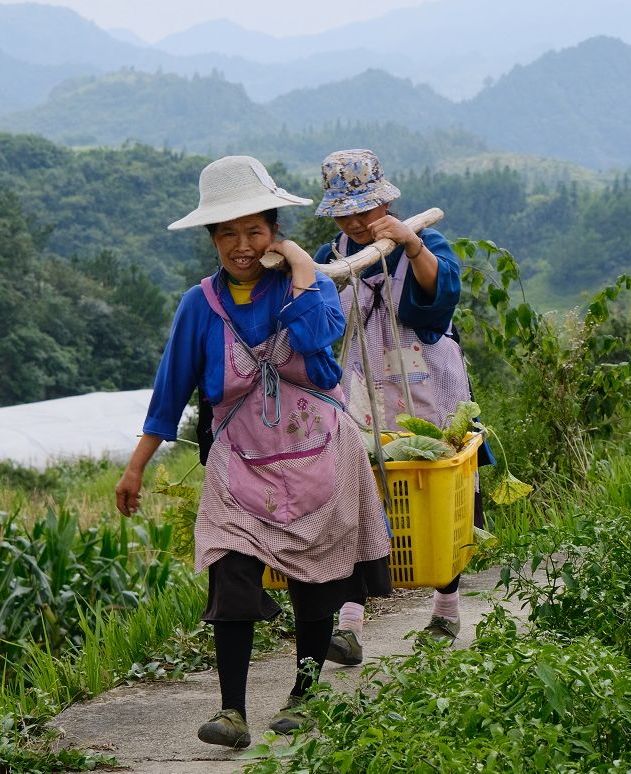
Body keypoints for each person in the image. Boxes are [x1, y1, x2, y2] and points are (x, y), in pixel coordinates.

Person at [114, 155, 392, 749]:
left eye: (255, 231)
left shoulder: (305, 280)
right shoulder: (200, 305)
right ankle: (232, 711)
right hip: (240, 460)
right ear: (212, 239)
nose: (243, 245)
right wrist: (136, 466)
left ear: (274, 231)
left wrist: (298, 265)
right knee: (231, 572)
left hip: (319, 454)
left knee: (316, 584)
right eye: (228, 233)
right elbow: (170, 393)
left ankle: (305, 693)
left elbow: (319, 337)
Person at [312, 148, 492, 666]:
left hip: (428, 384)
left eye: (365, 211)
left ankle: (446, 606)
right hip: (365, 387)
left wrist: (410, 246)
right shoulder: (333, 254)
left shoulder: (424, 241)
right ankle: (348, 624)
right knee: (358, 487)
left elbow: (439, 298)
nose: (356, 221)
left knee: (438, 485)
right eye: (346, 212)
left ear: (386, 202)